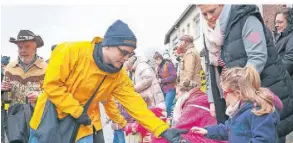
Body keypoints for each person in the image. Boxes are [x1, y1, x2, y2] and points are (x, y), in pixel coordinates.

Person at [29, 20, 189, 143]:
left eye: (130, 54)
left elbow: (134, 103)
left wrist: (161, 129)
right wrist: (76, 110)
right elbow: (52, 85)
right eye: (124, 52)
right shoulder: (70, 51)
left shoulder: (118, 76)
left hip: (82, 126)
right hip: (48, 119)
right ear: (107, 45)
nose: (127, 58)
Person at [198, 5, 293, 142]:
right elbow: (210, 69)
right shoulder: (208, 33)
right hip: (233, 96)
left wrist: (239, 87)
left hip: (252, 91)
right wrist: (213, 100)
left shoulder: (247, 20)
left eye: (212, 11)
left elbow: (258, 57)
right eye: (204, 14)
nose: (209, 17)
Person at [191, 66, 281, 143]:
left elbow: (264, 140)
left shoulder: (258, 112)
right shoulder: (238, 111)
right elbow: (228, 129)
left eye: (225, 93)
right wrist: (207, 131)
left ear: (237, 93)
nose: (224, 97)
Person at [151, 85, 227, 143]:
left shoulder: (192, 105)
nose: (176, 98)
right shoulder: (201, 98)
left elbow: (179, 128)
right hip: (217, 136)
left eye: (177, 94)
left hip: (211, 138)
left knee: (165, 137)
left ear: (185, 92)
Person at [274, 7, 293, 141]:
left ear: (290, 22)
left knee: (289, 130)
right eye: (276, 22)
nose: (276, 25)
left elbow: (292, 59)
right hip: (285, 89)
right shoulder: (282, 37)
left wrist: (272, 73)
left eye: (280, 22)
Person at [153, 52, 177, 117]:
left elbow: (174, 76)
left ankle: (169, 120)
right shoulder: (158, 67)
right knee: (163, 107)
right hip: (162, 89)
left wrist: (162, 80)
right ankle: (166, 120)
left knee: (167, 106)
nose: (155, 63)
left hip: (170, 88)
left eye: (155, 61)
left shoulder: (168, 64)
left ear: (159, 59)